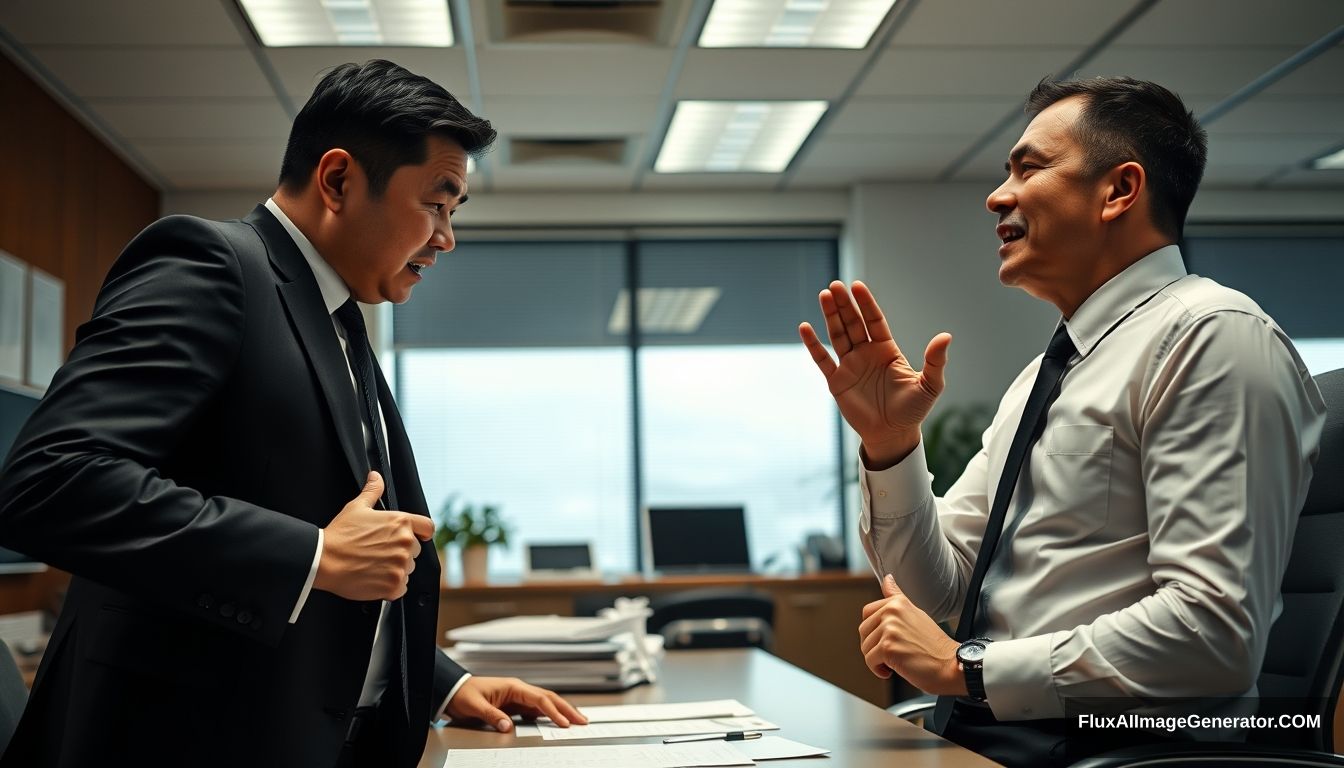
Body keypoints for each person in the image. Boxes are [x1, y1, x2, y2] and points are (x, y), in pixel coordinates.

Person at [0, 60, 586, 767]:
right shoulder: (211, 266)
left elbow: (313, 538)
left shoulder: (339, 316)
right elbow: (49, 480)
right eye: (437, 203)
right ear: (338, 180)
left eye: (454, 213)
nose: (445, 237)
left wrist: (438, 682)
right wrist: (311, 554)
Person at [800, 76, 1325, 767]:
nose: (997, 194)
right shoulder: (1046, 376)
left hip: (1112, 750)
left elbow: (1212, 633)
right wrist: (890, 444)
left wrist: (972, 672)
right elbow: (941, 596)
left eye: (1030, 167)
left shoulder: (1213, 338)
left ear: (1118, 191)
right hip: (1002, 735)